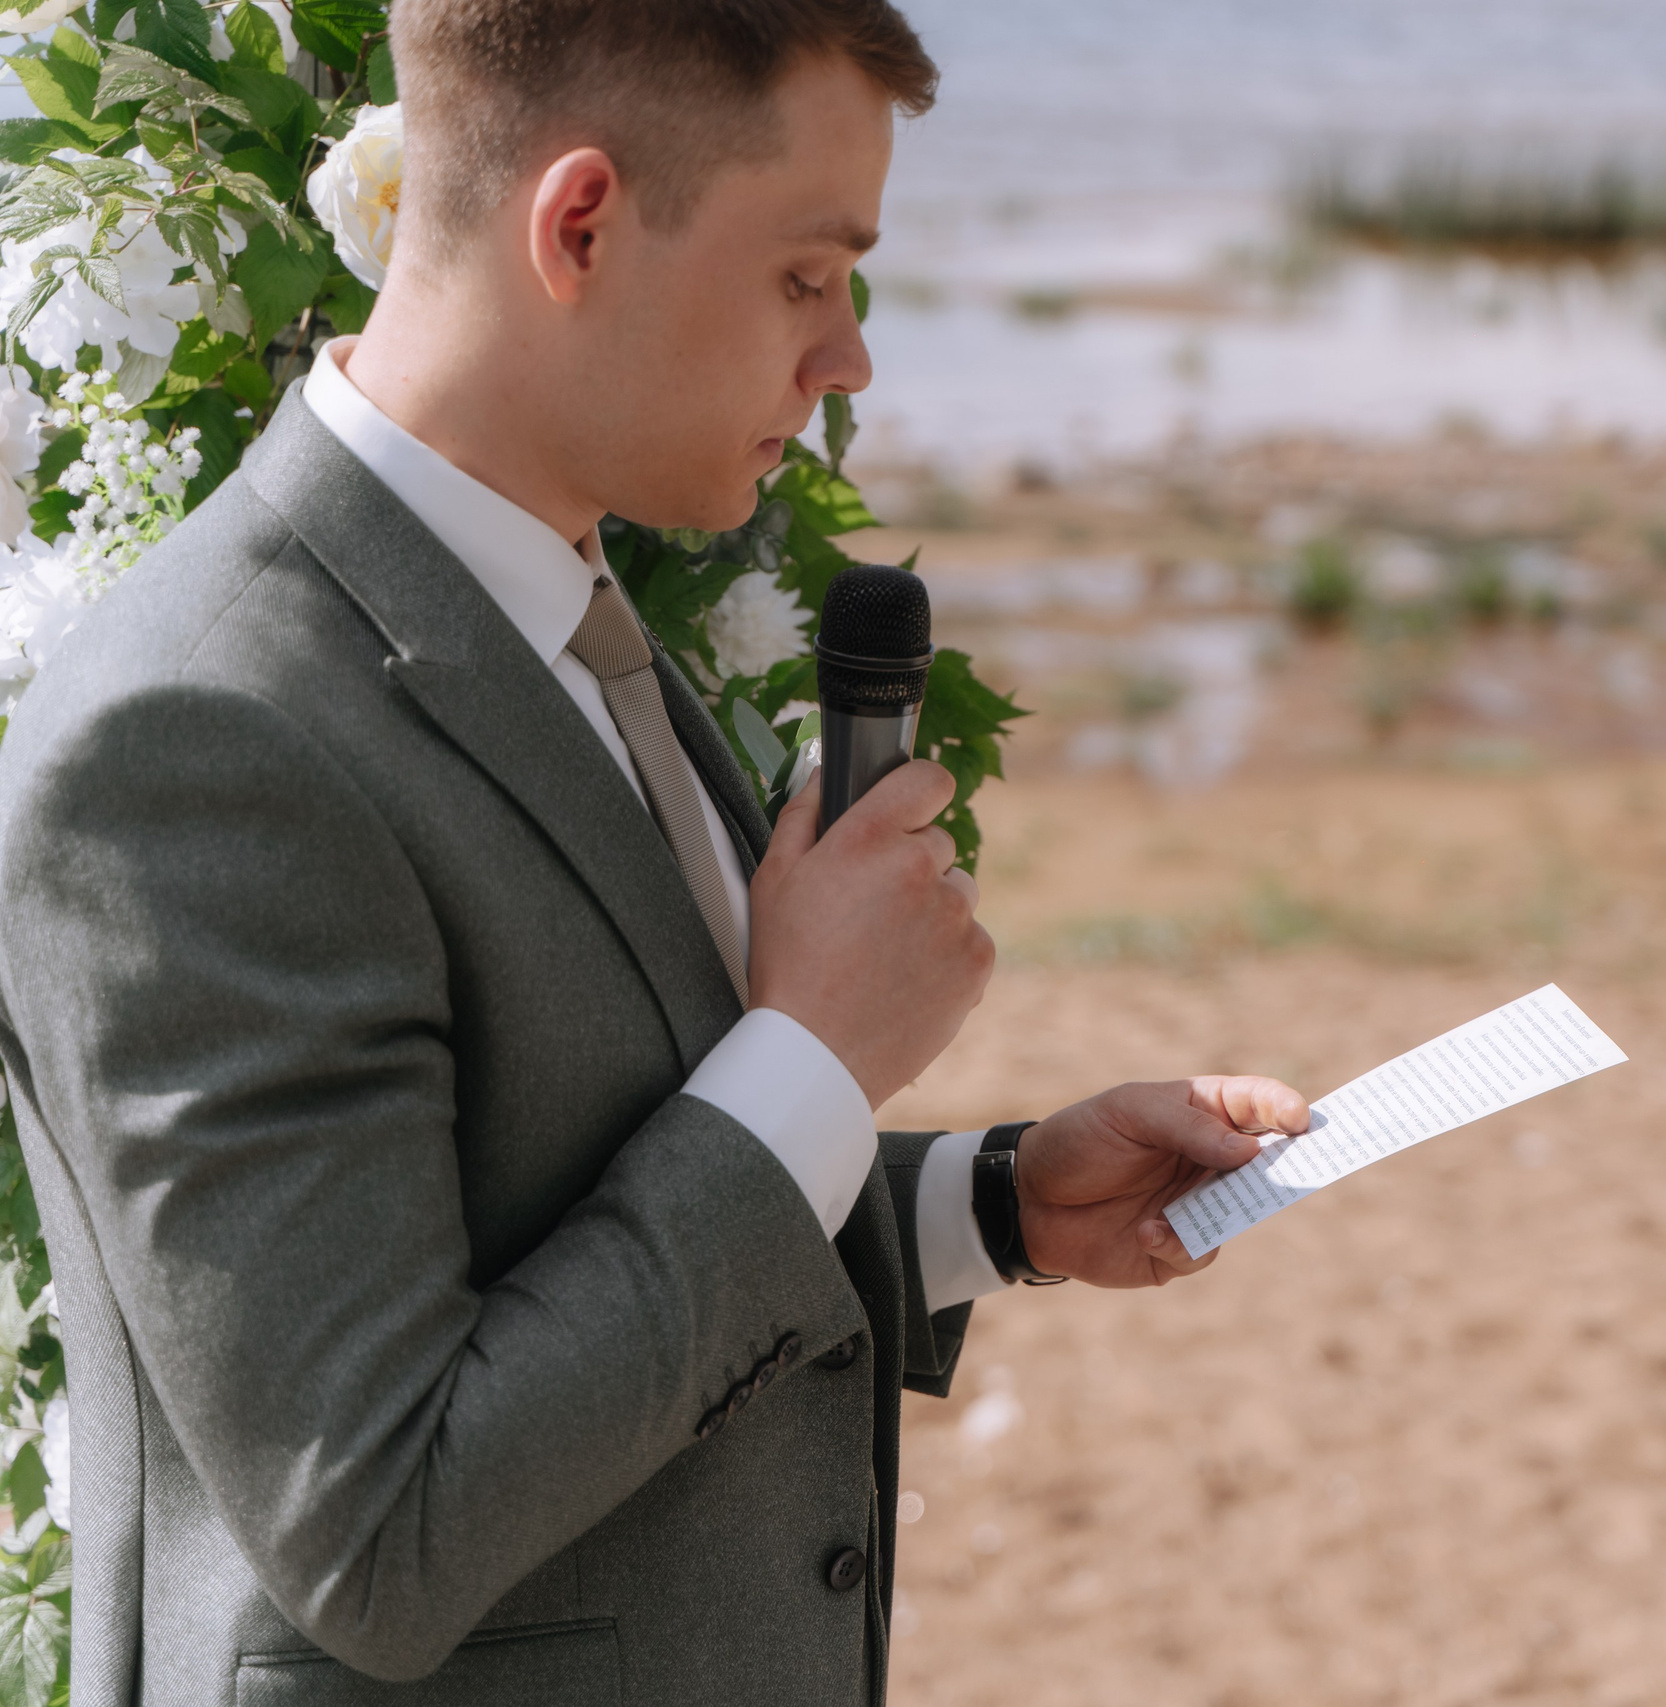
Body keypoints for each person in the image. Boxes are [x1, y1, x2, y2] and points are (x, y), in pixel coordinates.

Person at [0, 1, 1307, 1700]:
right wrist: (818, 1058)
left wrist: (994, 1206)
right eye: (807, 277)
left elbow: (579, 1189)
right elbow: (375, 1525)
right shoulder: (191, 742)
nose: (847, 359)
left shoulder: (561, 614)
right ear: (584, 224)